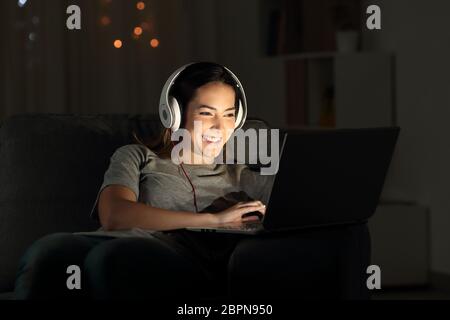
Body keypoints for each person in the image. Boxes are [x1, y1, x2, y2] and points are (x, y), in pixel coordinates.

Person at [13, 62, 272, 300]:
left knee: (111, 259)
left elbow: (295, 209)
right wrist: (214, 220)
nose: (220, 127)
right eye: (206, 113)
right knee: (48, 252)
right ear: (174, 114)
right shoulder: (135, 156)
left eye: (229, 115)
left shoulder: (244, 177)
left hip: (172, 260)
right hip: (113, 239)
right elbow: (115, 215)